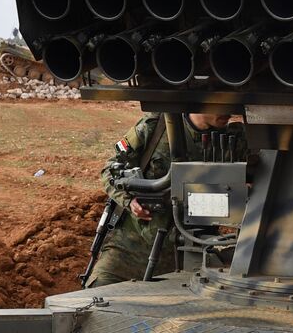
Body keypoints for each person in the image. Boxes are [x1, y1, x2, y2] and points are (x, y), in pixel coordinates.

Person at [86, 111, 244, 286]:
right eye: (222, 103)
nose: (229, 111)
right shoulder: (156, 127)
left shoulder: (235, 139)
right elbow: (110, 171)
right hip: (132, 247)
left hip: (191, 252)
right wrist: (129, 201)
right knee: (94, 293)